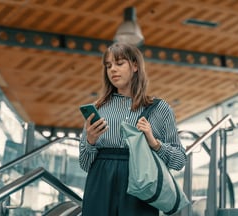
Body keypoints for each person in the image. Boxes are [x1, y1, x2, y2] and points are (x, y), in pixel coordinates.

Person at [79, 42, 186, 216]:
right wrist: (90, 141)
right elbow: (84, 164)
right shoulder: (98, 109)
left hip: (139, 183)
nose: (113, 69)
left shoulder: (159, 108)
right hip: (100, 184)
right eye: (108, 66)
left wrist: (154, 143)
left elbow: (179, 160)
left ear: (135, 66)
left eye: (119, 64)